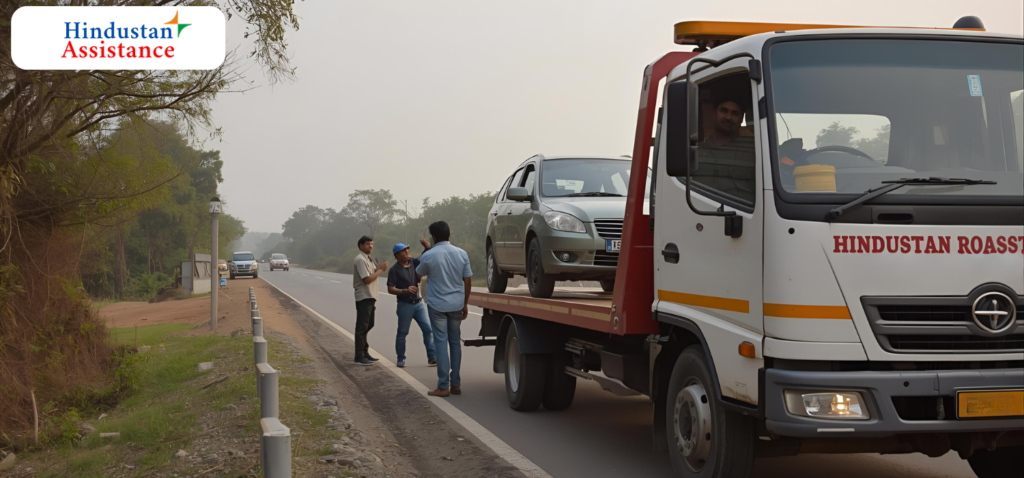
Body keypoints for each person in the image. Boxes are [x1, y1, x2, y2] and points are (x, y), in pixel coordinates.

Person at [415, 221, 472, 397]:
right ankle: (456, 384)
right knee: (455, 343)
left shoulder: (429, 255)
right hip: (456, 304)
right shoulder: (462, 253)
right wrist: (464, 303)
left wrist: (427, 250)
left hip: (437, 305)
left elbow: (419, 273)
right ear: (449, 233)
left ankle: (443, 385)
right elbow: (467, 280)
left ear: (433, 236)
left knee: (440, 343)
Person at [693, 98, 757, 203]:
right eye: (724, 111)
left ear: (741, 120)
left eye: (735, 113)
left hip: (743, 213)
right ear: (714, 115)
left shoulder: (753, 153)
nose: (728, 117)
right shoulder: (697, 152)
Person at [386, 240, 437, 368]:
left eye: (407, 249)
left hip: (419, 304)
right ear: (397, 255)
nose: (407, 252)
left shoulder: (414, 263)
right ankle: (401, 358)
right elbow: (390, 289)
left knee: (428, 329)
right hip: (405, 305)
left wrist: (427, 247)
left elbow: (424, 257)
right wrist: (404, 290)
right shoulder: (394, 270)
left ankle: (432, 357)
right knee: (402, 333)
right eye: (404, 250)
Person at [353, 235, 387, 366]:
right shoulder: (360, 259)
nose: (370, 246)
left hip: (370, 296)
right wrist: (379, 270)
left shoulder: (368, 259)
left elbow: (372, 274)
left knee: (368, 324)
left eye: (371, 244)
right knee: (362, 326)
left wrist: (377, 268)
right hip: (364, 296)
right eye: (367, 244)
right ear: (361, 245)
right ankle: (359, 356)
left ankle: (364, 352)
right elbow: (366, 279)